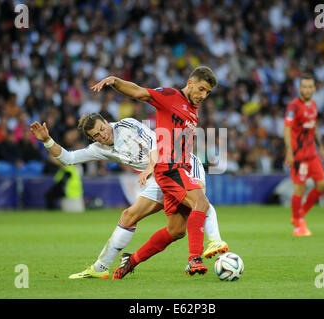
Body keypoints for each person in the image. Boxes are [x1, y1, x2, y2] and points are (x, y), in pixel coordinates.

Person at [29, 111, 228, 279]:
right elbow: (68, 158)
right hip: (158, 176)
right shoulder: (99, 149)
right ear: (92, 138)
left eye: (103, 128)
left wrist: (150, 167)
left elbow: (155, 144)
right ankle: (100, 268)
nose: (103, 134)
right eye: (97, 134)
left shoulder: (127, 125)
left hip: (180, 163)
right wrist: (47, 140)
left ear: (107, 123)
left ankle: (214, 241)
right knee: (147, 221)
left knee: (199, 202)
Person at [91, 66, 218, 279]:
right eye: (202, 89)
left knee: (176, 230)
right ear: (191, 83)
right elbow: (140, 92)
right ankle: (194, 259)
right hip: (169, 168)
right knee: (202, 203)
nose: (203, 95)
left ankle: (130, 261)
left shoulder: (193, 109)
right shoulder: (170, 95)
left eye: (208, 93)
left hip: (180, 168)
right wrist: (116, 81)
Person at [284, 74, 324, 236]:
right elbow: (287, 128)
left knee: (322, 185)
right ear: (299, 89)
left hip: (313, 154)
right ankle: (298, 225)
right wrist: (289, 151)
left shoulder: (314, 105)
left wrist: (322, 148)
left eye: (310, 86)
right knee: (299, 189)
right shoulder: (293, 107)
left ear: (314, 88)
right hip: (299, 156)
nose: (307, 89)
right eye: (304, 86)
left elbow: (314, 127)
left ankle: (300, 214)